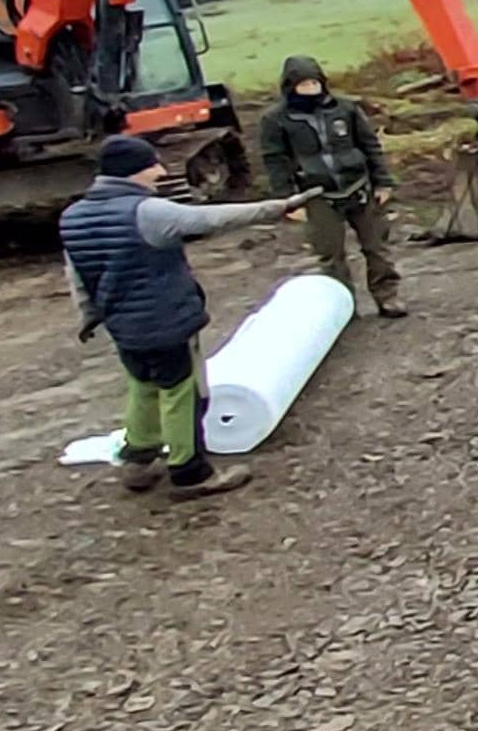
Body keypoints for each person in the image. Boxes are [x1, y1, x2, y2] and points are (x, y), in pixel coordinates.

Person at [63, 134, 307, 499]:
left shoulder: (73, 217)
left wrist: (88, 316)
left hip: (123, 325)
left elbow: (77, 274)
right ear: (130, 173)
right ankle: (190, 472)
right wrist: (278, 207)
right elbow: (211, 218)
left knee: (143, 386)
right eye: (151, 166)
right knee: (184, 394)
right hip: (167, 320)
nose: (160, 172)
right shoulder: (148, 213)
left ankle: (139, 460)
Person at [257, 54, 407, 317]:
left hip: (358, 185)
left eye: (315, 84)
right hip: (316, 192)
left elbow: (370, 145)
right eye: (304, 85)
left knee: (377, 247)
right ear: (291, 86)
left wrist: (383, 181)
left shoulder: (345, 109)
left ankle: (388, 296)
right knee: (330, 255)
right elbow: (275, 160)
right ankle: (343, 307)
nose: (311, 90)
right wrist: (286, 200)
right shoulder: (275, 119)